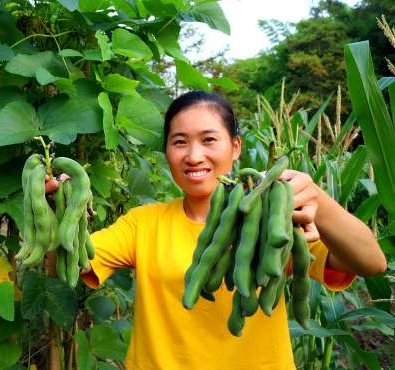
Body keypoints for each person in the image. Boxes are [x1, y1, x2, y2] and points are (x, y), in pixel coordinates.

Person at [63, 91, 387, 369]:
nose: (193, 156)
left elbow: (372, 263)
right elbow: (73, 261)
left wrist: (316, 196)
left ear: (235, 148)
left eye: (208, 140)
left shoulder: (274, 222)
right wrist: (62, 206)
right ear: (167, 152)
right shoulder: (143, 223)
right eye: (179, 142)